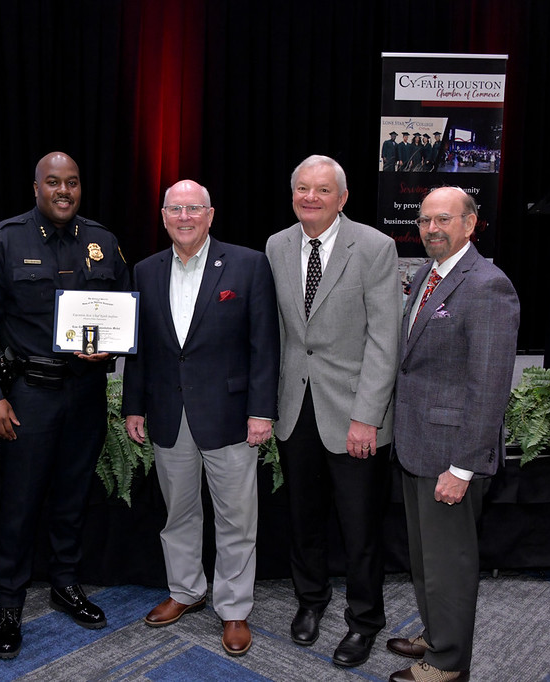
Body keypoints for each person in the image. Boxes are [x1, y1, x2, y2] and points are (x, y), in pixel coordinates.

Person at [0, 151, 131, 660]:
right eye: (54, 182)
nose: (64, 191)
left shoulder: (102, 242)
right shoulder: (4, 240)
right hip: (28, 396)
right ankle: (8, 606)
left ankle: (65, 584)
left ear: (81, 188)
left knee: (73, 497)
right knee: (19, 505)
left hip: (84, 393)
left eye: (73, 183)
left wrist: (114, 345)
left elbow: (124, 309)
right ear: (35, 186)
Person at [123, 179, 280, 657]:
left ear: (210, 215)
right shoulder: (146, 271)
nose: (184, 217)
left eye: (194, 208)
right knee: (179, 514)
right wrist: (134, 405)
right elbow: (140, 349)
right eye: (175, 209)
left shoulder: (248, 264)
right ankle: (186, 590)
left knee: (236, 519)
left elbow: (264, 345)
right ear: (164, 216)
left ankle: (233, 609)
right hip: (169, 414)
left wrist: (261, 411)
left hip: (231, 416)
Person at [266, 156, 401, 668]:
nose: (310, 198)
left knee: (360, 527)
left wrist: (368, 415)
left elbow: (385, 340)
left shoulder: (374, 247)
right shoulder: (277, 246)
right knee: (305, 520)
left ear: (342, 198)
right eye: (302, 188)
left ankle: (364, 621)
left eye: (322, 190)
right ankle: (311, 602)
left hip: (355, 415)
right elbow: (279, 332)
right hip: (295, 408)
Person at [387, 186, 519, 682]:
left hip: (451, 456)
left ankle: (448, 663)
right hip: (418, 444)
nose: (432, 229)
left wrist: (463, 466)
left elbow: (489, 387)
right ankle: (438, 632)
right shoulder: (427, 274)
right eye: (424, 220)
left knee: (450, 565)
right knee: (426, 559)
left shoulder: (487, 285)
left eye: (444, 219)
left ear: (471, 224)